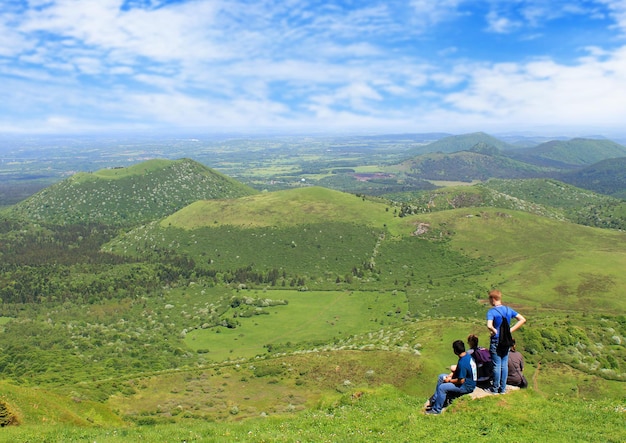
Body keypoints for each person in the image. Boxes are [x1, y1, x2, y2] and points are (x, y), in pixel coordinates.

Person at [486, 289, 526, 394]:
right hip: (506, 340)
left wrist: (494, 331)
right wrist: (510, 330)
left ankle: (495, 389)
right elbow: (522, 319)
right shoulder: (508, 310)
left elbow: (489, 325)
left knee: (496, 365)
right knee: (504, 365)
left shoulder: (492, 311)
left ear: (493, 299)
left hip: (496, 340)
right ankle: (502, 389)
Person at [425, 340, 477, 415]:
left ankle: (436, 410)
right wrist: (450, 375)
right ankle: (435, 401)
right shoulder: (467, 356)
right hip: (470, 382)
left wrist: (449, 380)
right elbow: (459, 369)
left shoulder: (462, 362)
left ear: (455, 351)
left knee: (442, 388)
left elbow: (461, 381)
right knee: (441, 377)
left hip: (466, 386)